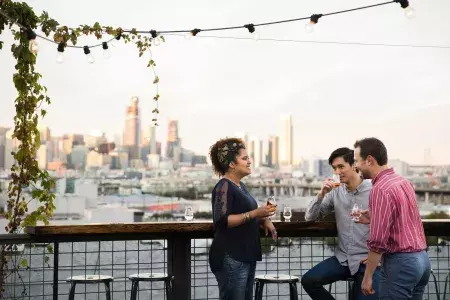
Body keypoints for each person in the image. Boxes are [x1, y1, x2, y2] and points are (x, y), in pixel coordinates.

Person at [353, 137, 430, 299]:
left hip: (401, 264)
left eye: (357, 161)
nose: (355, 166)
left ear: (369, 160)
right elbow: (404, 220)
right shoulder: (403, 182)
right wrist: (374, 216)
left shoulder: (380, 189)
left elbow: (377, 241)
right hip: (422, 261)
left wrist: (367, 277)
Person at [302, 147, 380, 300]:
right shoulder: (335, 192)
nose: (337, 172)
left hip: (368, 262)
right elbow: (309, 217)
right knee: (309, 281)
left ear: (354, 166)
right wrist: (321, 194)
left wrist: (381, 256)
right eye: (334, 168)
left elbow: (391, 225)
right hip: (343, 259)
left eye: (341, 167)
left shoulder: (374, 190)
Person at [208, 137, 277, 300]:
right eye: (244, 158)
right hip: (230, 256)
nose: (249, 161)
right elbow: (223, 220)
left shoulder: (240, 186)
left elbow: (244, 213)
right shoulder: (223, 186)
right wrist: (255, 214)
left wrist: (263, 219)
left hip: (244, 254)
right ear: (231, 164)